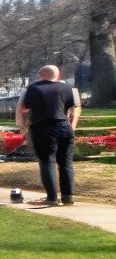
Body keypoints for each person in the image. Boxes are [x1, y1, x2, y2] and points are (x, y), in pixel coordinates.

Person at [15, 65, 80, 206]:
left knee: (47, 162)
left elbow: (26, 107)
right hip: (64, 127)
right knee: (66, 163)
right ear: (57, 75)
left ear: (41, 74)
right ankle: (68, 197)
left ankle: (51, 198)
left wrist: (22, 127)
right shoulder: (68, 88)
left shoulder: (34, 88)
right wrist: (71, 126)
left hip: (43, 128)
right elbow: (72, 108)